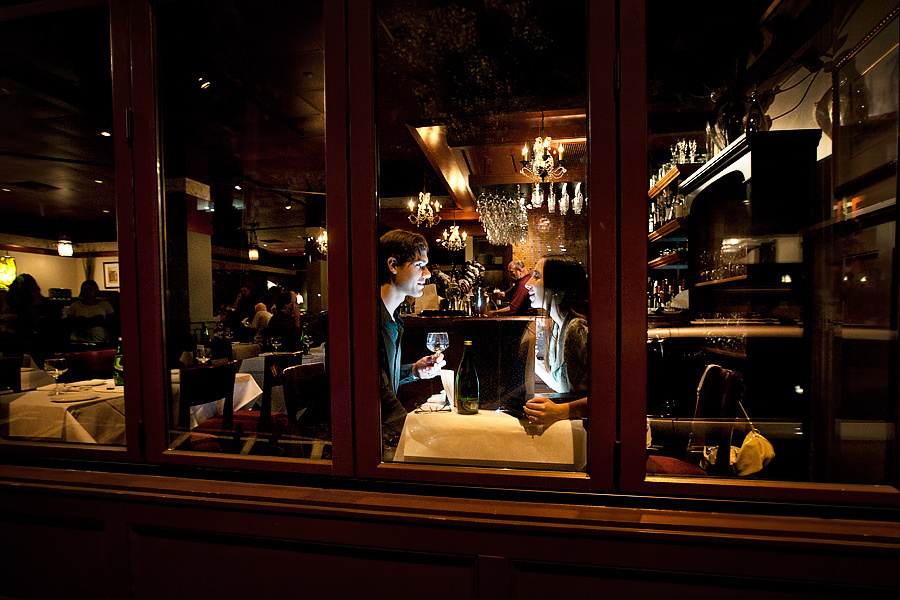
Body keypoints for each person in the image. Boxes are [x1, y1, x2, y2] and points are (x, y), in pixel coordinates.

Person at [379, 230, 445, 445]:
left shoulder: (393, 319)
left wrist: (414, 371)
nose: (427, 274)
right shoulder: (368, 319)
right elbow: (376, 395)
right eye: (419, 265)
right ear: (393, 265)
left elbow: (382, 380)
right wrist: (415, 435)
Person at [523, 254, 589, 425]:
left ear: (558, 289)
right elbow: (561, 386)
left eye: (536, 276)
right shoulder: (558, 327)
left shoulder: (577, 328)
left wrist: (561, 411)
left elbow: (610, 395)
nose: (527, 283)